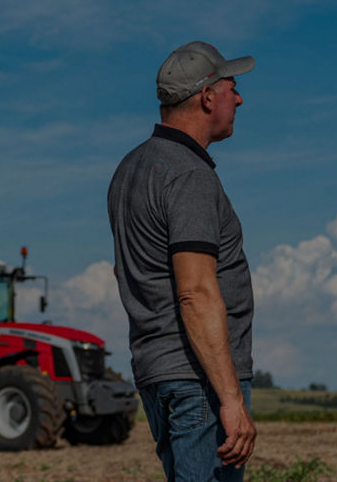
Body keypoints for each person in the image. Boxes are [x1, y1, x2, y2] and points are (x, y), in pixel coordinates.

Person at [108, 41, 258, 482]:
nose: (240, 98)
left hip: (157, 372)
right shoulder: (189, 174)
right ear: (207, 95)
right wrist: (230, 400)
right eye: (233, 87)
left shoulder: (131, 168)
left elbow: (133, 273)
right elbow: (195, 292)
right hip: (198, 380)